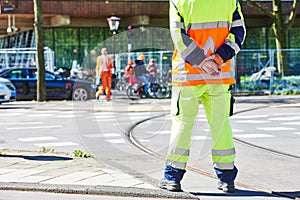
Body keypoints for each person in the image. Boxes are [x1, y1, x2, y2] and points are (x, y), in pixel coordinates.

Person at [159, 0, 246, 193]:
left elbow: (178, 35)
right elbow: (239, 34)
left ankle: (172, 177)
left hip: (188, 76)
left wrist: (200, 61)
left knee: (182, 124)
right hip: (219, 74)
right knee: (220, 124)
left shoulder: (178, 1)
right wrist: (217, 59)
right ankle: (226, 178)